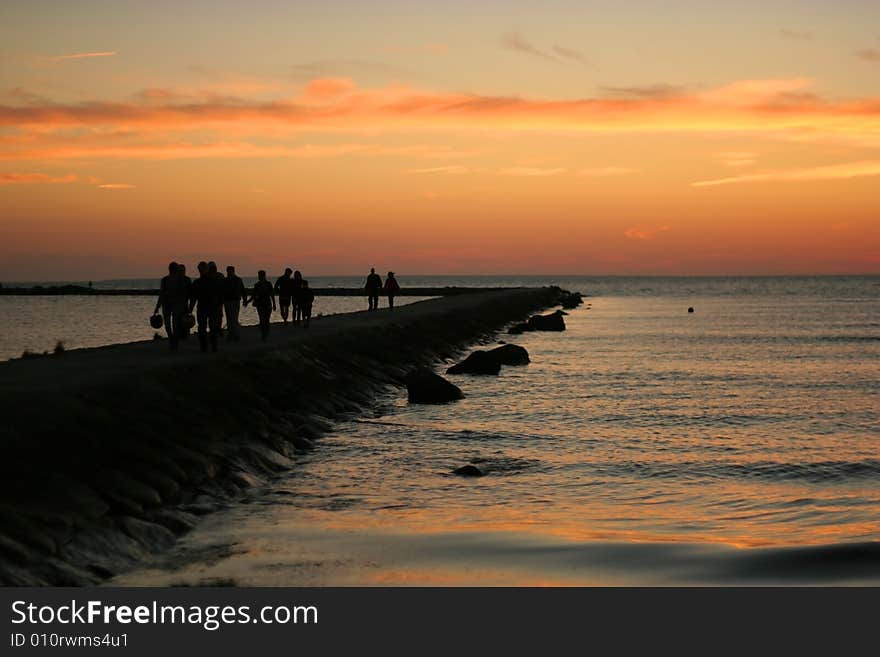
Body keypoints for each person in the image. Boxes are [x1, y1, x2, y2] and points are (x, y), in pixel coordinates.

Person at [153, 261, 189, 349]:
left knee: (169, 324)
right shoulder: (178, 280)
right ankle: (173, 341)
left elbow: (161, 294)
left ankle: (172, 340)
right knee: (174, 323)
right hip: (174, 305)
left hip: (169, 305)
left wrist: (157, 307)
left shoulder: (165, 280)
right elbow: (184, 294)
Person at [189, 261, 223, 352]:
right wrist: (190, 309)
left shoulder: (209, 281)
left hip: (210, 307)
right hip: (206, 308)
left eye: (201, 269)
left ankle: (209, 346)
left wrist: (220, 305)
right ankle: (208, 346)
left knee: (209, 327)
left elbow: (219, 294)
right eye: (200, 270)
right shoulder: (200, 282)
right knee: (205, 328)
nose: (201, 271)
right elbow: (193, 297)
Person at [249, 270, 276, 341]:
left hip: (267, 304)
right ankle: (264, 334)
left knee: (266, 320)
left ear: (263, 276)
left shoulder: (268, 284)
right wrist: (248, 301)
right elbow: (253, 295)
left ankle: (265, 333)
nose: (259, 277)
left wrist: (274, 304)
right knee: (262, 320)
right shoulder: (257, 285)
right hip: (260, 305)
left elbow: (272, 295)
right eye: (259, 275)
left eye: (260, 275)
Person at [223, 265, 247, 342]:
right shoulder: (225, 280)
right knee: (229, 318)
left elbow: (243, 290)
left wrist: (245, 300)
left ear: (233, 271)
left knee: (234, 318)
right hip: (227, 301)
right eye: (228, 271)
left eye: (230, 271)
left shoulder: (238, 280)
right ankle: (231, 334)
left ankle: (235, 334)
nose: (228, 273)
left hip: (235, 301)